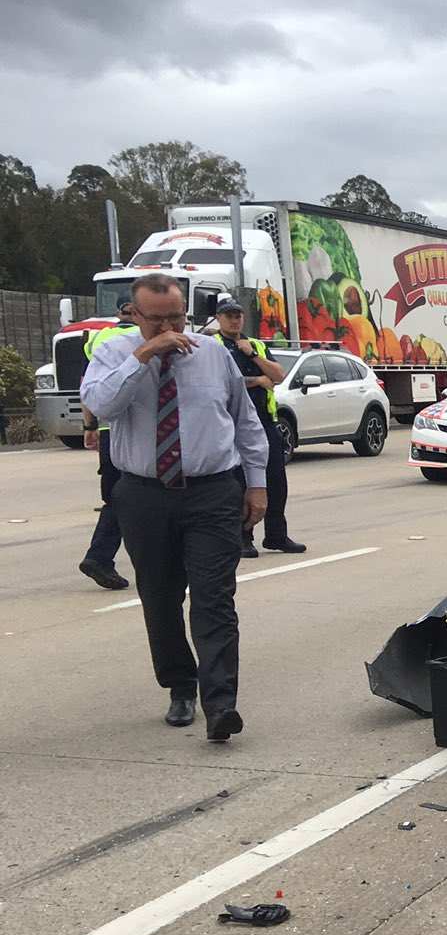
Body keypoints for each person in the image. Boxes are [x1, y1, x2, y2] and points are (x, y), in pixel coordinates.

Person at [80, 273, 269, 741]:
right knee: (160, 598)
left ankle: (221, 703)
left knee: (214, 598)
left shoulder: (212, 354)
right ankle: (179, 686)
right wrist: (143, 357)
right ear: (134, 314)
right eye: (157, 320)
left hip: (212, 492)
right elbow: (100, 406)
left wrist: (257, 485)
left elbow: (244, 421)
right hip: (144, 494)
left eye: (177, 317)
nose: (169, 327)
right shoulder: (113, 352)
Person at [211, 296, 304, 556]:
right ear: (218, 318)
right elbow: (221, 382)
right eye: (228, 315)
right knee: (241, 482)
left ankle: (276, 535)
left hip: (265, 421)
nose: (234, 319)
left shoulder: (255, 345)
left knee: (276, 480)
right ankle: (243, 536)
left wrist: (251, 354)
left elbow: (278, 375)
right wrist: (256, 381)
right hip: (230, 423)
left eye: (238, 314)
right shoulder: (213, 346)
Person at [77, 302, 137, 590]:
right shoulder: (148, 335)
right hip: (134, 430)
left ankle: (100, 557)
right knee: (132, 496)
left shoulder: (99, 339)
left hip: (107, 429)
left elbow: (87, 385)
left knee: (117, 497)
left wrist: (89, 425)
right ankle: (100, 556)